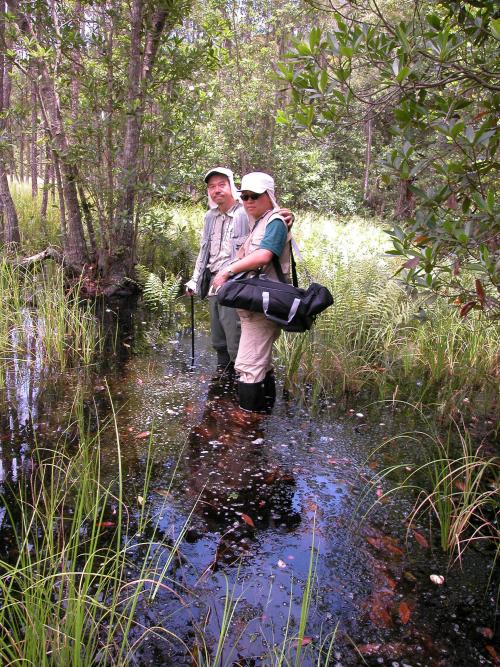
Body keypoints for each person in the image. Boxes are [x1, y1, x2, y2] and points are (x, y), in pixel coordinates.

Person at [185, 168, 293, 376]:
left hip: (237, 286)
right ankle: (222, 386)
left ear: (232, 187)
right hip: (214, 285)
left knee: (237, 343)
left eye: (221, 185)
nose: (216, 190)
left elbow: (268, 225)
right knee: (218, 340)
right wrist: (195, 280)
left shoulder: (246, 212)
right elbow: (204, 250)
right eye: (211, 187)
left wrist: (287, 215)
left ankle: (241, 388)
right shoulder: (210, 216)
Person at [212, 172, 291, 412]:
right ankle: (264, 418)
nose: (248, 201)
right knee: (261, 365)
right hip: (254, 306)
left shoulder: (275, 221)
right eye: (244, 196)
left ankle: (248, 423)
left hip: (263, 307)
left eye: (255, 196)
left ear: (269, 196)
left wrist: (227, 270)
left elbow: (264, 255)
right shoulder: (259, 221)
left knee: (247, 366)